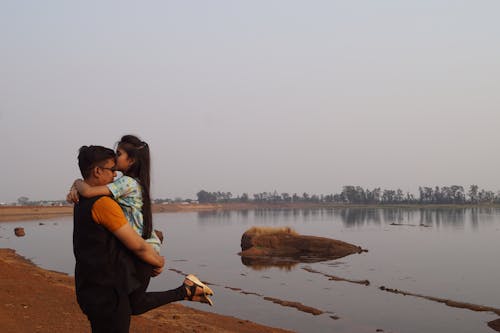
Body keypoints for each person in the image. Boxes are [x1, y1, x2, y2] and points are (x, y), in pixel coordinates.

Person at [72, 145, 213, 333]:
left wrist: (77, 183)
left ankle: (186, 291)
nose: (115, 176)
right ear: (97, 171)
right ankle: (186, 291)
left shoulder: (79, 201)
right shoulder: (104, 204)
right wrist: (159, 262)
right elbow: (138, 246)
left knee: (134, 306)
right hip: (108, 293)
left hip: (88, 288)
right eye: (112, 170)